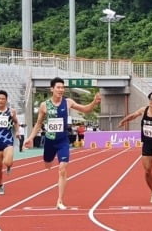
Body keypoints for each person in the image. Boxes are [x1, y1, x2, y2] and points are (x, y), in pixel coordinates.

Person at [23, 77, 101, 210]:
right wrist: (30, 137)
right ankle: (48, 160)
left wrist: (94, 102)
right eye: (58, 87)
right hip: (49, 141)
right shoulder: (44, 105)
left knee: (62, 169)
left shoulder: (68, 102)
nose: (61, 90)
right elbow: (39, 123)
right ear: (52, 89)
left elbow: (85, 109)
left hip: (63, 141)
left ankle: (59, 200)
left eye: (62, 87)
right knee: (47, 165)